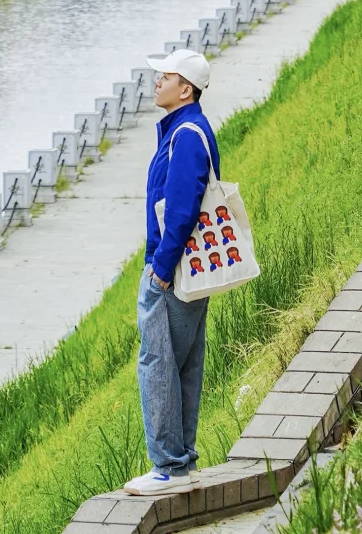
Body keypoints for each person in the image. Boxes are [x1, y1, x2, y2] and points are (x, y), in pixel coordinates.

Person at [122, 49, 219, 496]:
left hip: (173, 271)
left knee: (158, 362)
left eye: (166, 76)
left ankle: (168, 466)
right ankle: (183, 462)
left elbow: (181, 209)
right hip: (186, 270)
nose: (157, 81)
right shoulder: (185, 131)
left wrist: (159, 270)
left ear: (186, 89)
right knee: (182, 362)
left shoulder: (185, 134)